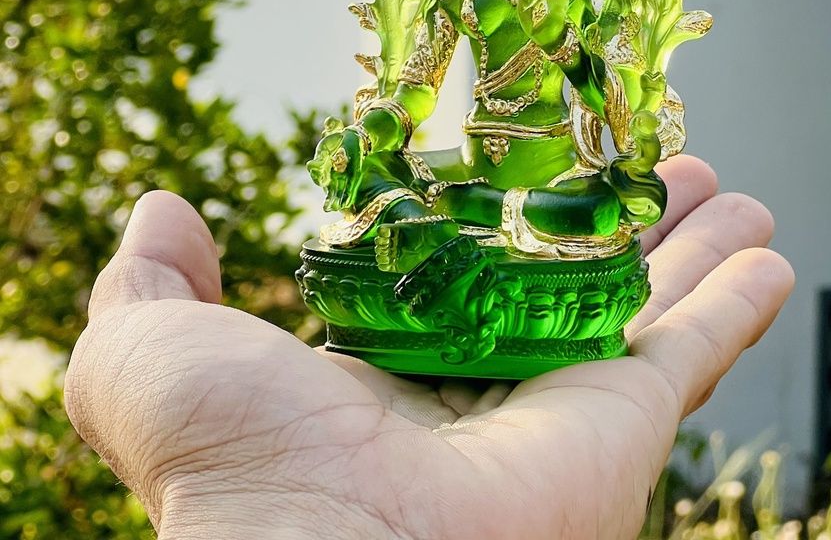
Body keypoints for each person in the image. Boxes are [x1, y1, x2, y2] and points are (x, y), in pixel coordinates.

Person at [65, 159, 793, 540]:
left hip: (541, 206)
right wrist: (290, 504)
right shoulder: (455, 0)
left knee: (574, 213)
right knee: (419, 204)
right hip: (464, 214)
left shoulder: (575, 5)